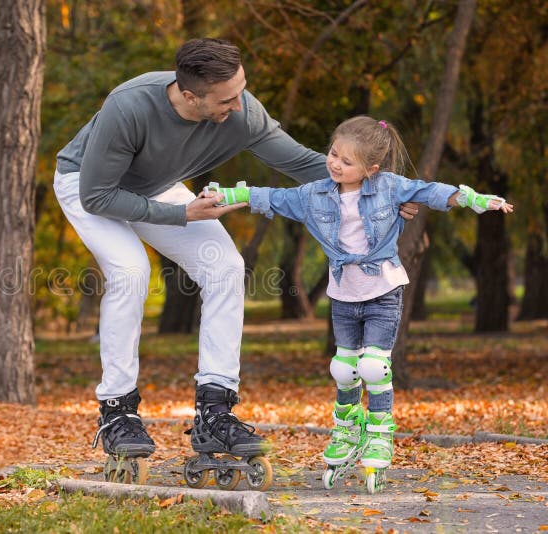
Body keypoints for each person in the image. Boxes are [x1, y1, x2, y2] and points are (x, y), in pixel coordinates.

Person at [53, 38, 417, 464]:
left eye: (242, 89)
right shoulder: (129, 107)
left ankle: (215, 410)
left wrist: (382, 190)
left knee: (226, 266)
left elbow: (302, 163)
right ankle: (117, 412)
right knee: (131, 271)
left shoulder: (241, 110)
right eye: (227, 98)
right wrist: (183, 214)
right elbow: (98, 197)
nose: (239, 104)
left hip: (153, 189)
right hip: (88, 186)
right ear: (190, 95)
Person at [206, 115, 514, 486]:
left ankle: (381, 431)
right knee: (344, 368)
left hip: (383, 289)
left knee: (374, 367)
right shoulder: (315, 194)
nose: (335, 163)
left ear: (370, 169)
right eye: (333, 154)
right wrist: (231, 195)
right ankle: (348, 428)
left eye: (346, 161)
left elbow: (428, 191)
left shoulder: (388, 188)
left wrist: (473, 198)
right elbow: (273, 197)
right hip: (343, 294)